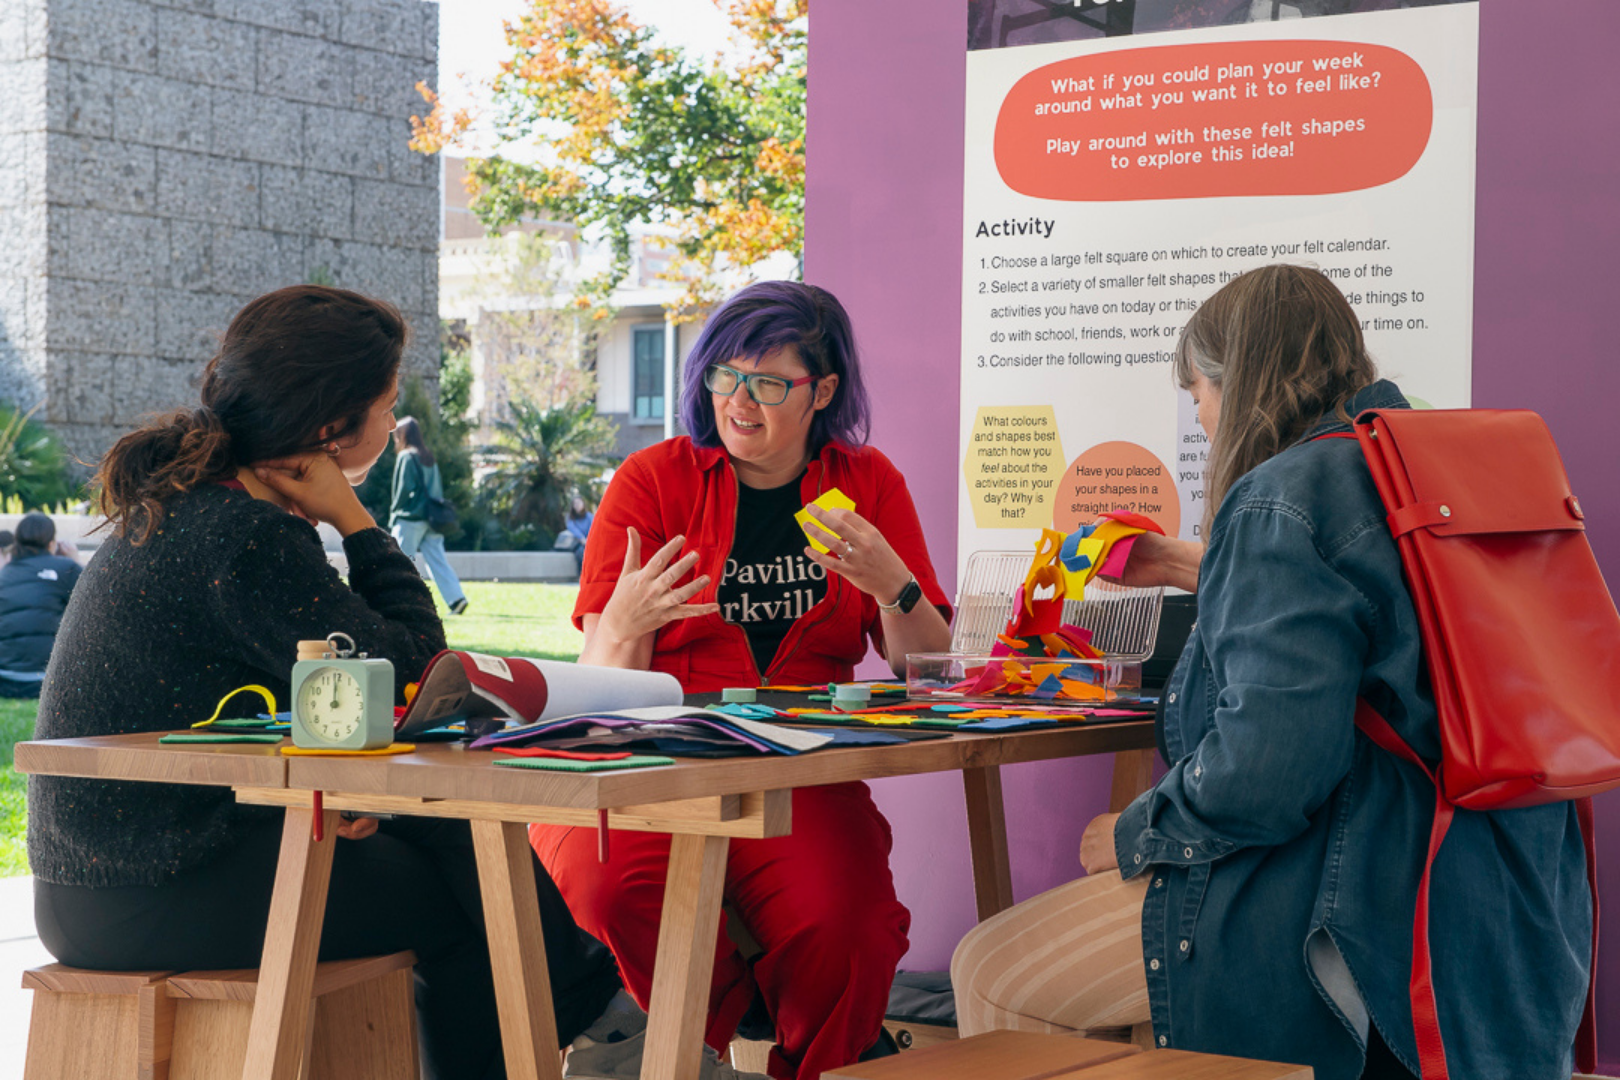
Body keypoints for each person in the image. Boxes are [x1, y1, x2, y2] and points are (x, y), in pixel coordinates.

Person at [949, 266, 1592, 1080]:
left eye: (1198, 397)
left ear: (1236, 380)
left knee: (986, 970)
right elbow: (1390, 623)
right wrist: (1214, 565)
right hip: (1511, 890)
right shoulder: (1429, 465)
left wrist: (1135, 830)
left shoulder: (1278, 497)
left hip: (1356, 899)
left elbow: (1268, 773)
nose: (1203, 425)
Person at [28, 285, 624, 1080]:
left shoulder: (194, 504)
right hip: (149, 886)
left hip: (105, 876)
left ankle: (597, 1017)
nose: (391, 423)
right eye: (384, 406)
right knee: (480, 897)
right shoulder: (247, 535)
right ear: (331, 428)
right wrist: (359, 523)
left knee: (459, 841)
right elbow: (415, 673)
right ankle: (598, 1020)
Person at [531, 281, 955, 1080]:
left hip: (799, 767)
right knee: (608, 885)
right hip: (652, 764)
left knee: (849, 925)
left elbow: (920, 666)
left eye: (769, 382)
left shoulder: (866, 483)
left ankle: (821, 1062)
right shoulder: (653, 481)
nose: (740, 400)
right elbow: (598, 686)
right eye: (726, 375)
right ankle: (690, 1050)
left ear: (822, 391)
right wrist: (623, 624)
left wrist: (894, 586)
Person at [389, 416, 469, 615]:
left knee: (401, 561)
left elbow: (402, 490)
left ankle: (401, 600)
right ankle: (456, 599)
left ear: (403, 435)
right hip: (432, 519)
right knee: (438, 560)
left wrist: (394, 514)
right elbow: (436, 489)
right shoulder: (428, 456)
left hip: (411, 518)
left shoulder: (406, 457)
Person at [0, 513, 82, 697]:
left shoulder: (5, 573)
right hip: (47, 680)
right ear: (51, 543)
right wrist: (74, 559)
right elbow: (95, 599)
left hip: (4, 680)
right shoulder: (66, 568)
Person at [563, 494, 594, 578]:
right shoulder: (570, 518)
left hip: (590, 542)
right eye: (575, 504)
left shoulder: (589, 516)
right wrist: (582, 539)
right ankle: (582, 574)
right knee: (580, 552)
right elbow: (572, 529)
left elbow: (593, 527)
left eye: (579, 503)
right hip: (577, 543)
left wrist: (589, 540)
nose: (577, 505)